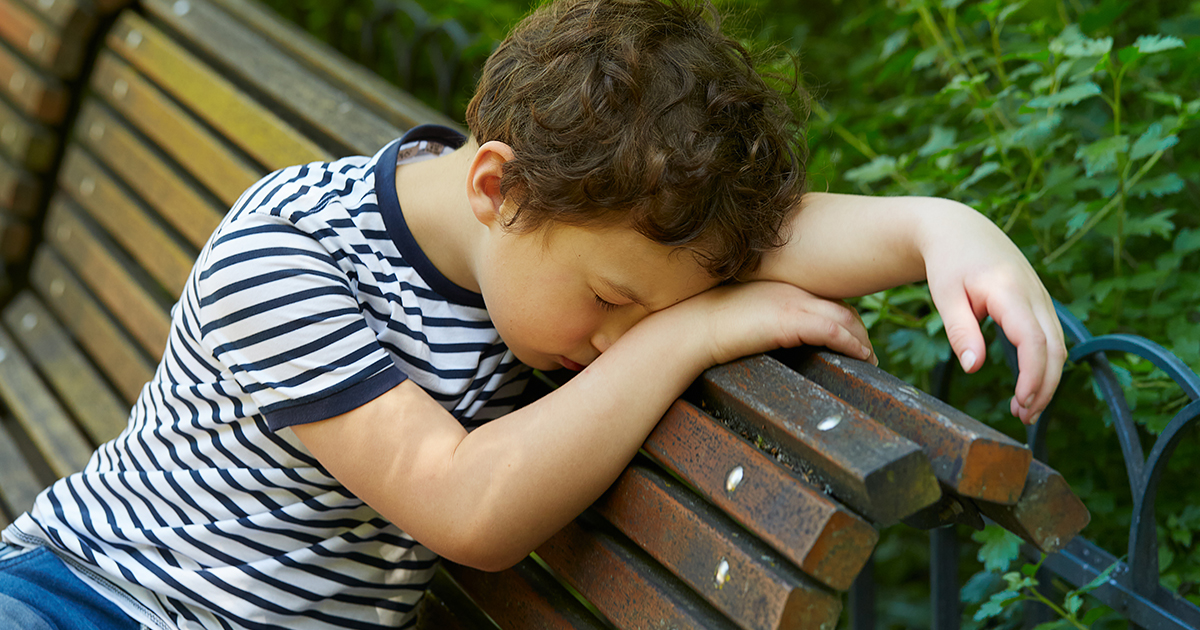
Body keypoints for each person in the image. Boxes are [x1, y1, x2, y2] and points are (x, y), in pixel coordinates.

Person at [0, 0, 1065, 627]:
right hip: (88, 599)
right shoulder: (286, 260)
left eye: (650, 312)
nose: (616, 339)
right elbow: (467, 510)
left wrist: (942, 227)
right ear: (495, 186)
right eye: (613, 304)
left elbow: (767, 236)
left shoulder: (563, 234)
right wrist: (688, 333)